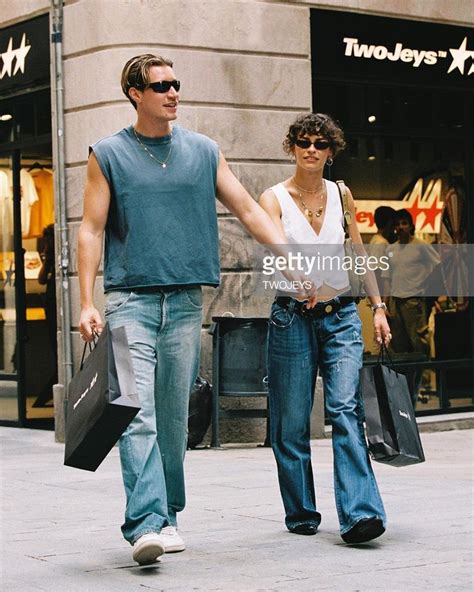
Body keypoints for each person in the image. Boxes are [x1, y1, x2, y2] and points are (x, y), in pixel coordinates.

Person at [77, 54, 314, 566]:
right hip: (129, 300)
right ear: (135, 93)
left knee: (173, 419)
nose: (173, 93)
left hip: (185, 302)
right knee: (134, 412)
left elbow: (248, 209)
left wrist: (289, 259)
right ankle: (144, 523)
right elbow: (91, 229)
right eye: (162, 86)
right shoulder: (109, 154)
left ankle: (168, 514)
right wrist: (85, 301)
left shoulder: (204, 151)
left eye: (176, 84)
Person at [259, 113, 391, 544]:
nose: (310, 149)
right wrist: (299, 280)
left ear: (331, 151)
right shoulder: (273, 197)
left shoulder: (342, 194)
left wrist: (378, 307)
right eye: (302, 142)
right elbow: (274, 249)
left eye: (319, 143)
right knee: (292, 422)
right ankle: (300, 511)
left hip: (340, 316)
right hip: (291, 319)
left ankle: (360, 513)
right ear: (292, 148)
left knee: (344, 409)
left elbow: (358, 252)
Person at [381, 208, 439, 406]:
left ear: (411, 225)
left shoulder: (421, 246)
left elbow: (438, 266)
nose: (400, 227)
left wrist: (428, 291)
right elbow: (387, 279)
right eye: (397, 224)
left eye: (404, 223)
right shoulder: (391, 249)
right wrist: (384, 304)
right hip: (396, 303)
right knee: (399, 350)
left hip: (414, 302)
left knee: (418, 347)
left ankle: (420, 389)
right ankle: (403, 394)